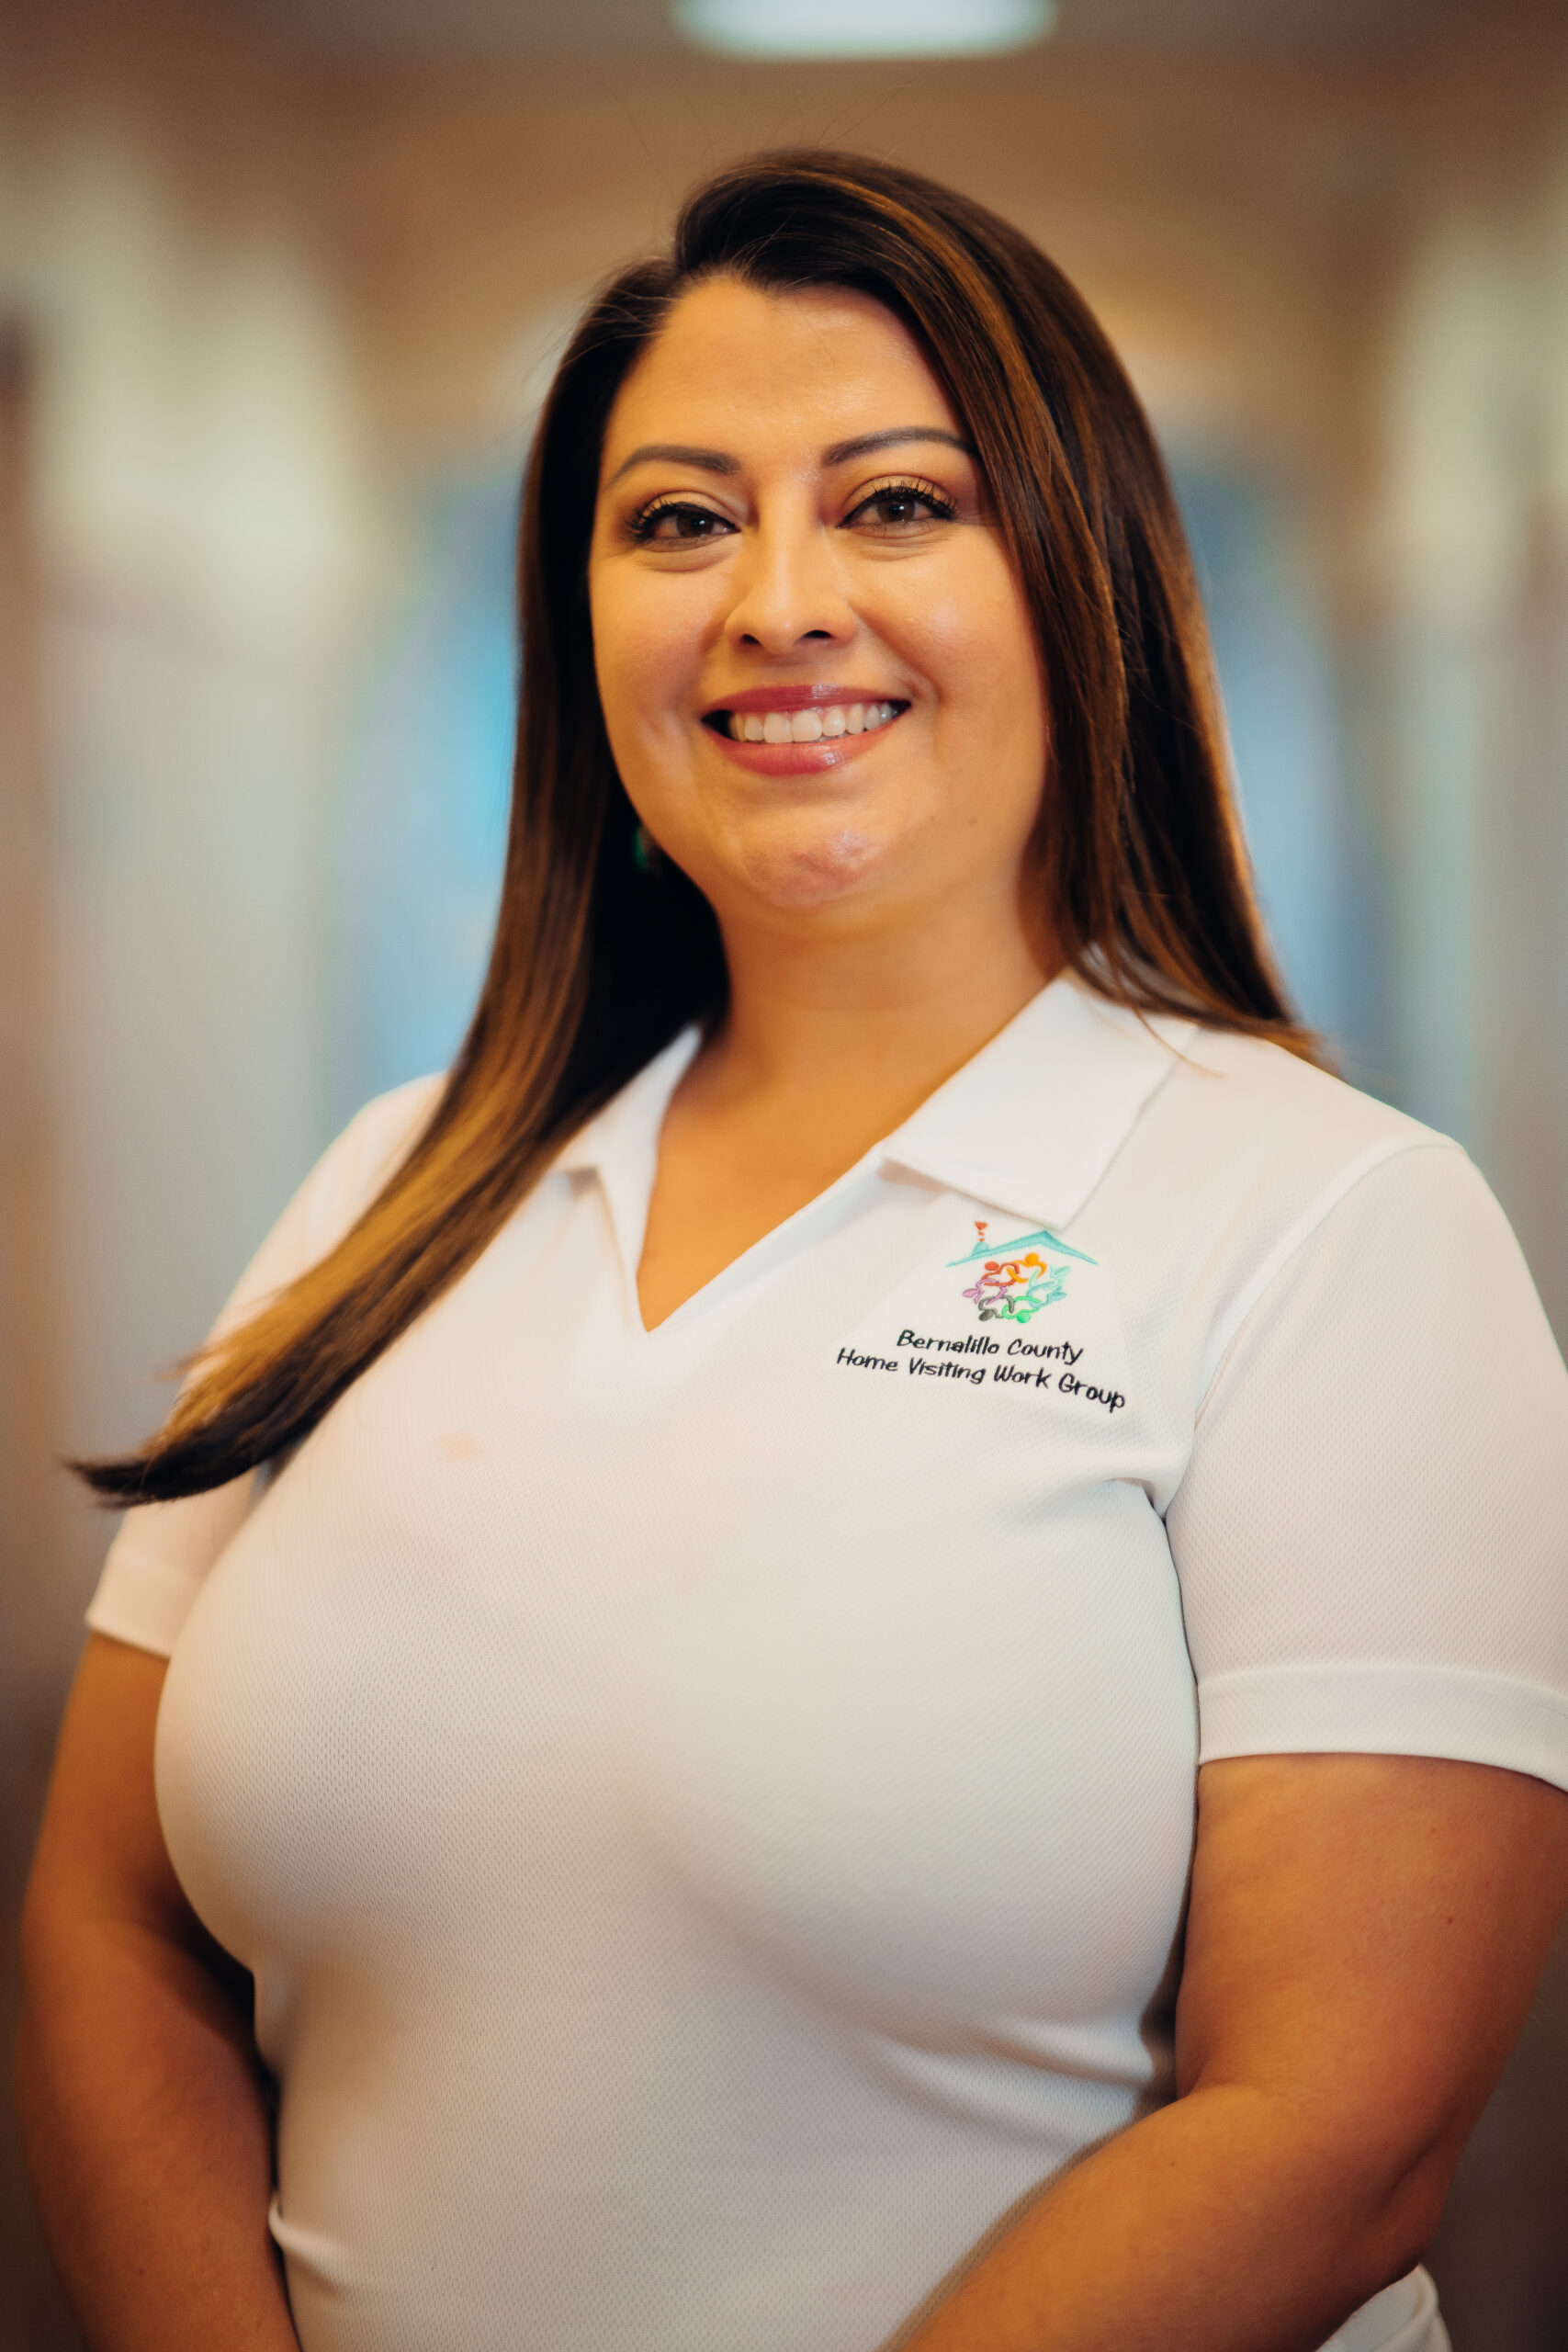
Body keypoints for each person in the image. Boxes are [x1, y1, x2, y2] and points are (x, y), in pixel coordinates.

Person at [17, 150, 1568, 2352]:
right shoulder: (394, 1182)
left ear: (1081, 578)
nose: (775, 601)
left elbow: (1332, 2120)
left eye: (896, 503)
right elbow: (111, 1917)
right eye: (675, 518)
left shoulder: (1331, 1224)